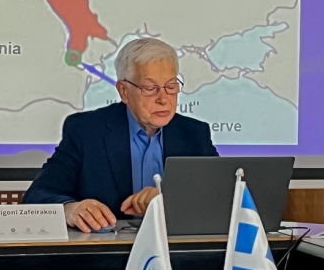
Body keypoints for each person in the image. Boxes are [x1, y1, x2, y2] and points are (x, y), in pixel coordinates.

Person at [24, 38, 218, 232]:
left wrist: (168, 199)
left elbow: (221, 196)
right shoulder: (86, 131)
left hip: (179, 246)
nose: (163, 99)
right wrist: (70, 209)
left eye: (171, 86)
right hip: (107, 247)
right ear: (124, 91)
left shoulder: (195, 134)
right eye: (150, 88)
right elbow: (37, 195)